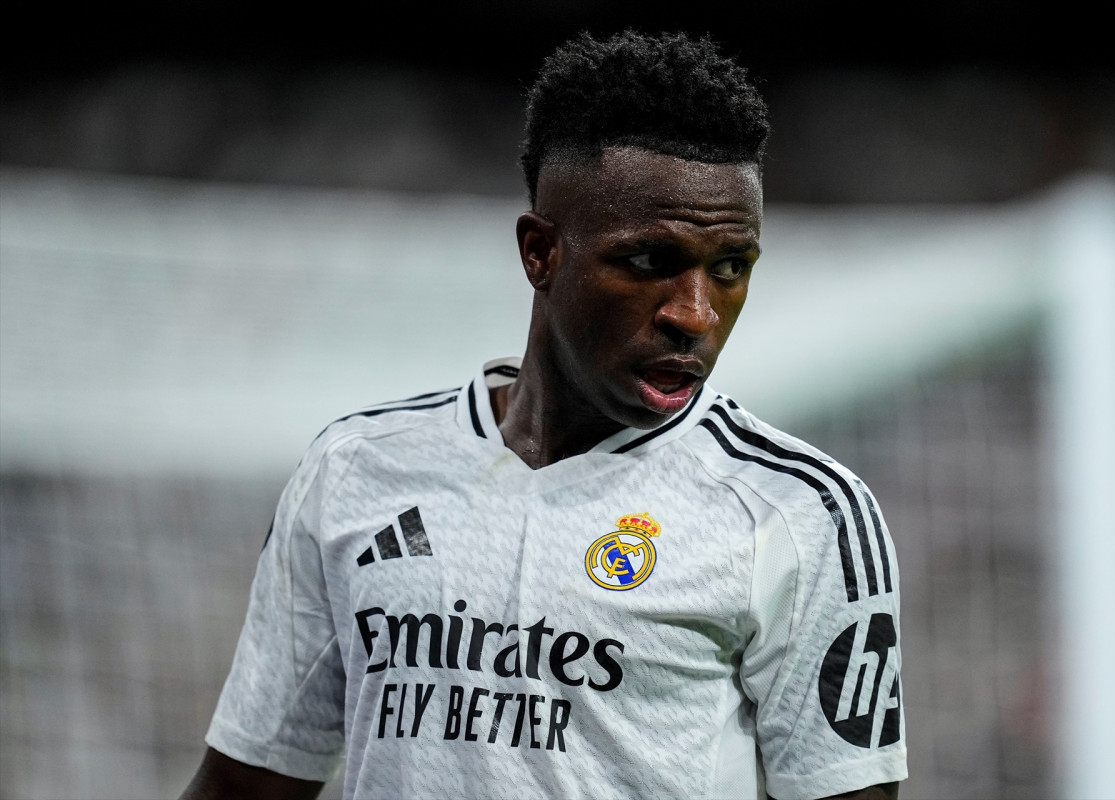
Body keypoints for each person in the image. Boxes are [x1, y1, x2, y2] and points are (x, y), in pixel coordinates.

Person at [180, 29, 907, 800]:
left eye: (730, 268)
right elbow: (243, 787)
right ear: (541, 253)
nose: (695, 314)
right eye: (650, 262)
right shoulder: (356, 469)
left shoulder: (799, 512)